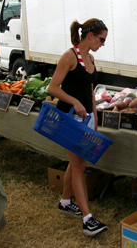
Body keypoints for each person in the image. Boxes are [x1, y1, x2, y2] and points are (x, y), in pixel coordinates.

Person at [48, 18, 108, 237]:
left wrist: (95, 116)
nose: (103, 44)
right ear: (90, 35)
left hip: (86, 118)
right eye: (101, 39)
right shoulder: (69, 56)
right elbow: (53, 87)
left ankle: (65, 201)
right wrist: (74, 101)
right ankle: (87, 218)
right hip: (69, 118)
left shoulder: (90, 58)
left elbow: (90, 89)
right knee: (80, 166)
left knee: (75, 164)